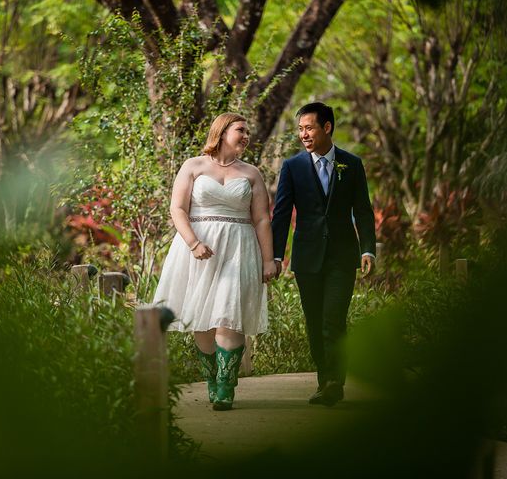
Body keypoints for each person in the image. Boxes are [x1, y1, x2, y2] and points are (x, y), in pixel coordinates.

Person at [153, 112, 276, 411]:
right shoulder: (193, 166)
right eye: (241, 130)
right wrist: (193, 242)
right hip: (198, 248)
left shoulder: (251, 173)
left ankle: (225, 385)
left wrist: (268, 259)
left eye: (248, 131)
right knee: (203, 320)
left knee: (227, 315)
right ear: (222, 132)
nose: (246, 136)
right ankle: (211, 378)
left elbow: (261, 219)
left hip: (238, 249)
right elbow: (177, 208)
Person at [271, 102, 376, 406]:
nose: (303, 134)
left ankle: (334, 382)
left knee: (334, 318)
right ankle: (323, 378)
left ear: (326, 127)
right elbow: (280, 215)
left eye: (309, 128)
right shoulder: (292, 167)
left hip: (343, 256)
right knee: (314, 321)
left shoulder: (352, 164)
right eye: (300, 129)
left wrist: (368, 248)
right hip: (307, 257)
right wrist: (276, 257)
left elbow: (363, 210)